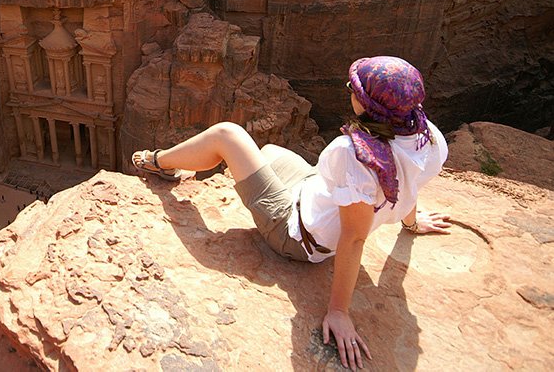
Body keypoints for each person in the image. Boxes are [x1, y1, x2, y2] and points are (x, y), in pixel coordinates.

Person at [132, 56, 451, 371]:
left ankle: (156, 162)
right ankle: (219, 170)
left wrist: (339, 311)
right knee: (267, 153)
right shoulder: (428, 137)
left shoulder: (353, 157)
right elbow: (409, 181)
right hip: (311, 189)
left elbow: (353, 239)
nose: (350, 91)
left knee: (227, 136)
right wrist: (411, 223)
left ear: (372, 107)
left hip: (295, 232)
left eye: (355, 89)